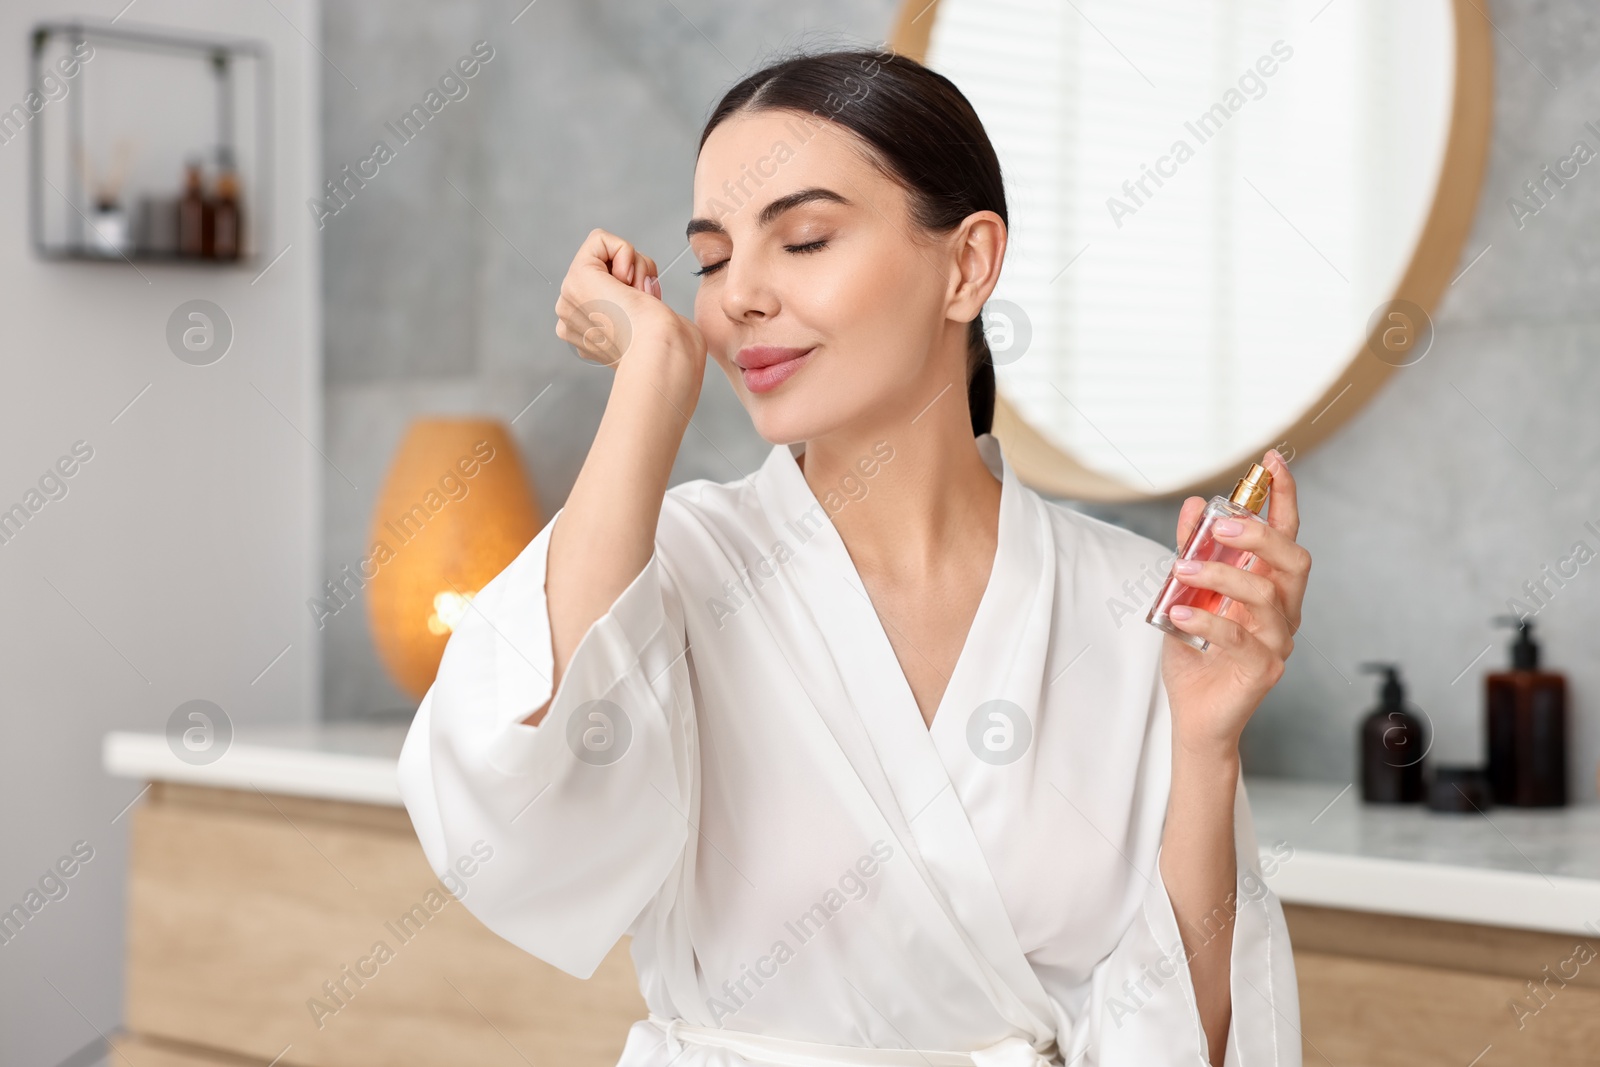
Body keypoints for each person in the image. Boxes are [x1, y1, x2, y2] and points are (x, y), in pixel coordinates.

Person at [398, 46, 1308, 1067]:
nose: (737, 293)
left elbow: (1184, 1030)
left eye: (804, 238)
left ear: (965, 264)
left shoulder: (1131, 604)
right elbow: (517, 806)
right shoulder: (674, 568)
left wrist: (1204, 743)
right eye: (708, 256)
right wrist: (652, 374)